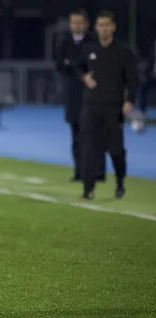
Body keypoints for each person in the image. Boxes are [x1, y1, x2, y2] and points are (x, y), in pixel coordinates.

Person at [76, 10, 138, 200]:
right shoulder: (89, 49)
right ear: (96, 28)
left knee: (116, 149)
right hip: (91, 105)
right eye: (100, 25)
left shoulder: (124, 52)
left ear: (113, 27)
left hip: (113, 107)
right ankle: (88, 189)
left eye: (106, 25)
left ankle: (120, 182)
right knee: (89, 148)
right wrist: (84, 76)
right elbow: (78, 67)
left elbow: (132, 79)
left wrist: (129, 101)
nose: (103, 28)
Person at [55, 9, 105, 182]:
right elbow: (60, 65)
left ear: (86, 24)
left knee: (94, 134)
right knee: (76, 134)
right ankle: (79, 172)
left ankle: (98, 172)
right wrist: (77, 69)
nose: (76, 26)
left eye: (79, 22)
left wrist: (75, 65)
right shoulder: (65, 42)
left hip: (93, 93)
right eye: (73, 23)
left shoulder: (94, 41)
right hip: (73, 94)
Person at [131, 34, 156, 132]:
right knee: (142, 88)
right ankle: (141, 115)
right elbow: (151, 59)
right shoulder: (154, 44)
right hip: (153, 77)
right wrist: (146, 74)